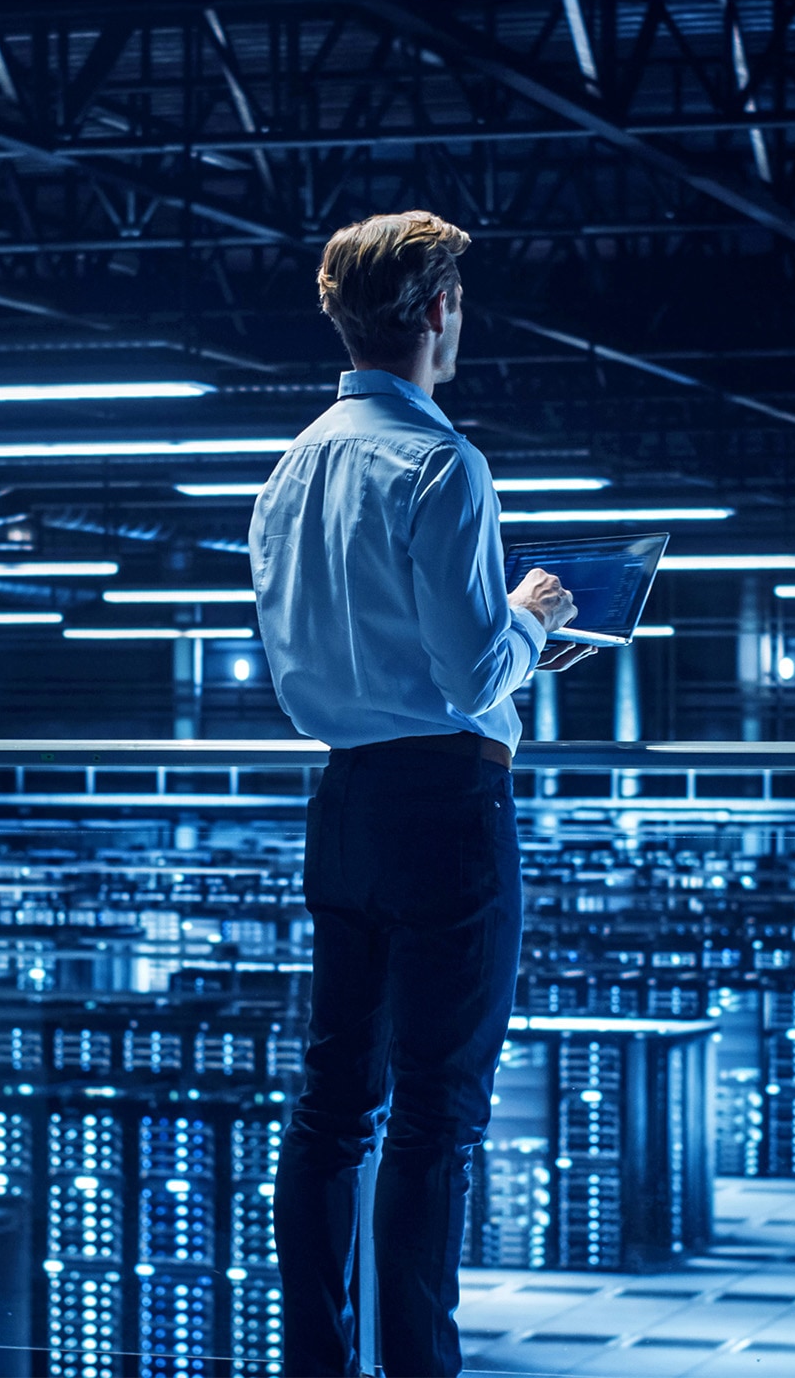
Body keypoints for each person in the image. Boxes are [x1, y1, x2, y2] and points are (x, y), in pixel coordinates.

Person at [248, 210, 593, 1377]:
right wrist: (535, 620)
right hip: (447, 809)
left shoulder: (292, 464)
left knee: (333, 1105)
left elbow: (302, 664)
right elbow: (468, 672)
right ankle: (419, 1366)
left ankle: (317, 1363)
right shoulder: (443, 462)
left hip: (340, 803)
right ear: (441, 311)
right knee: (438, 1114)